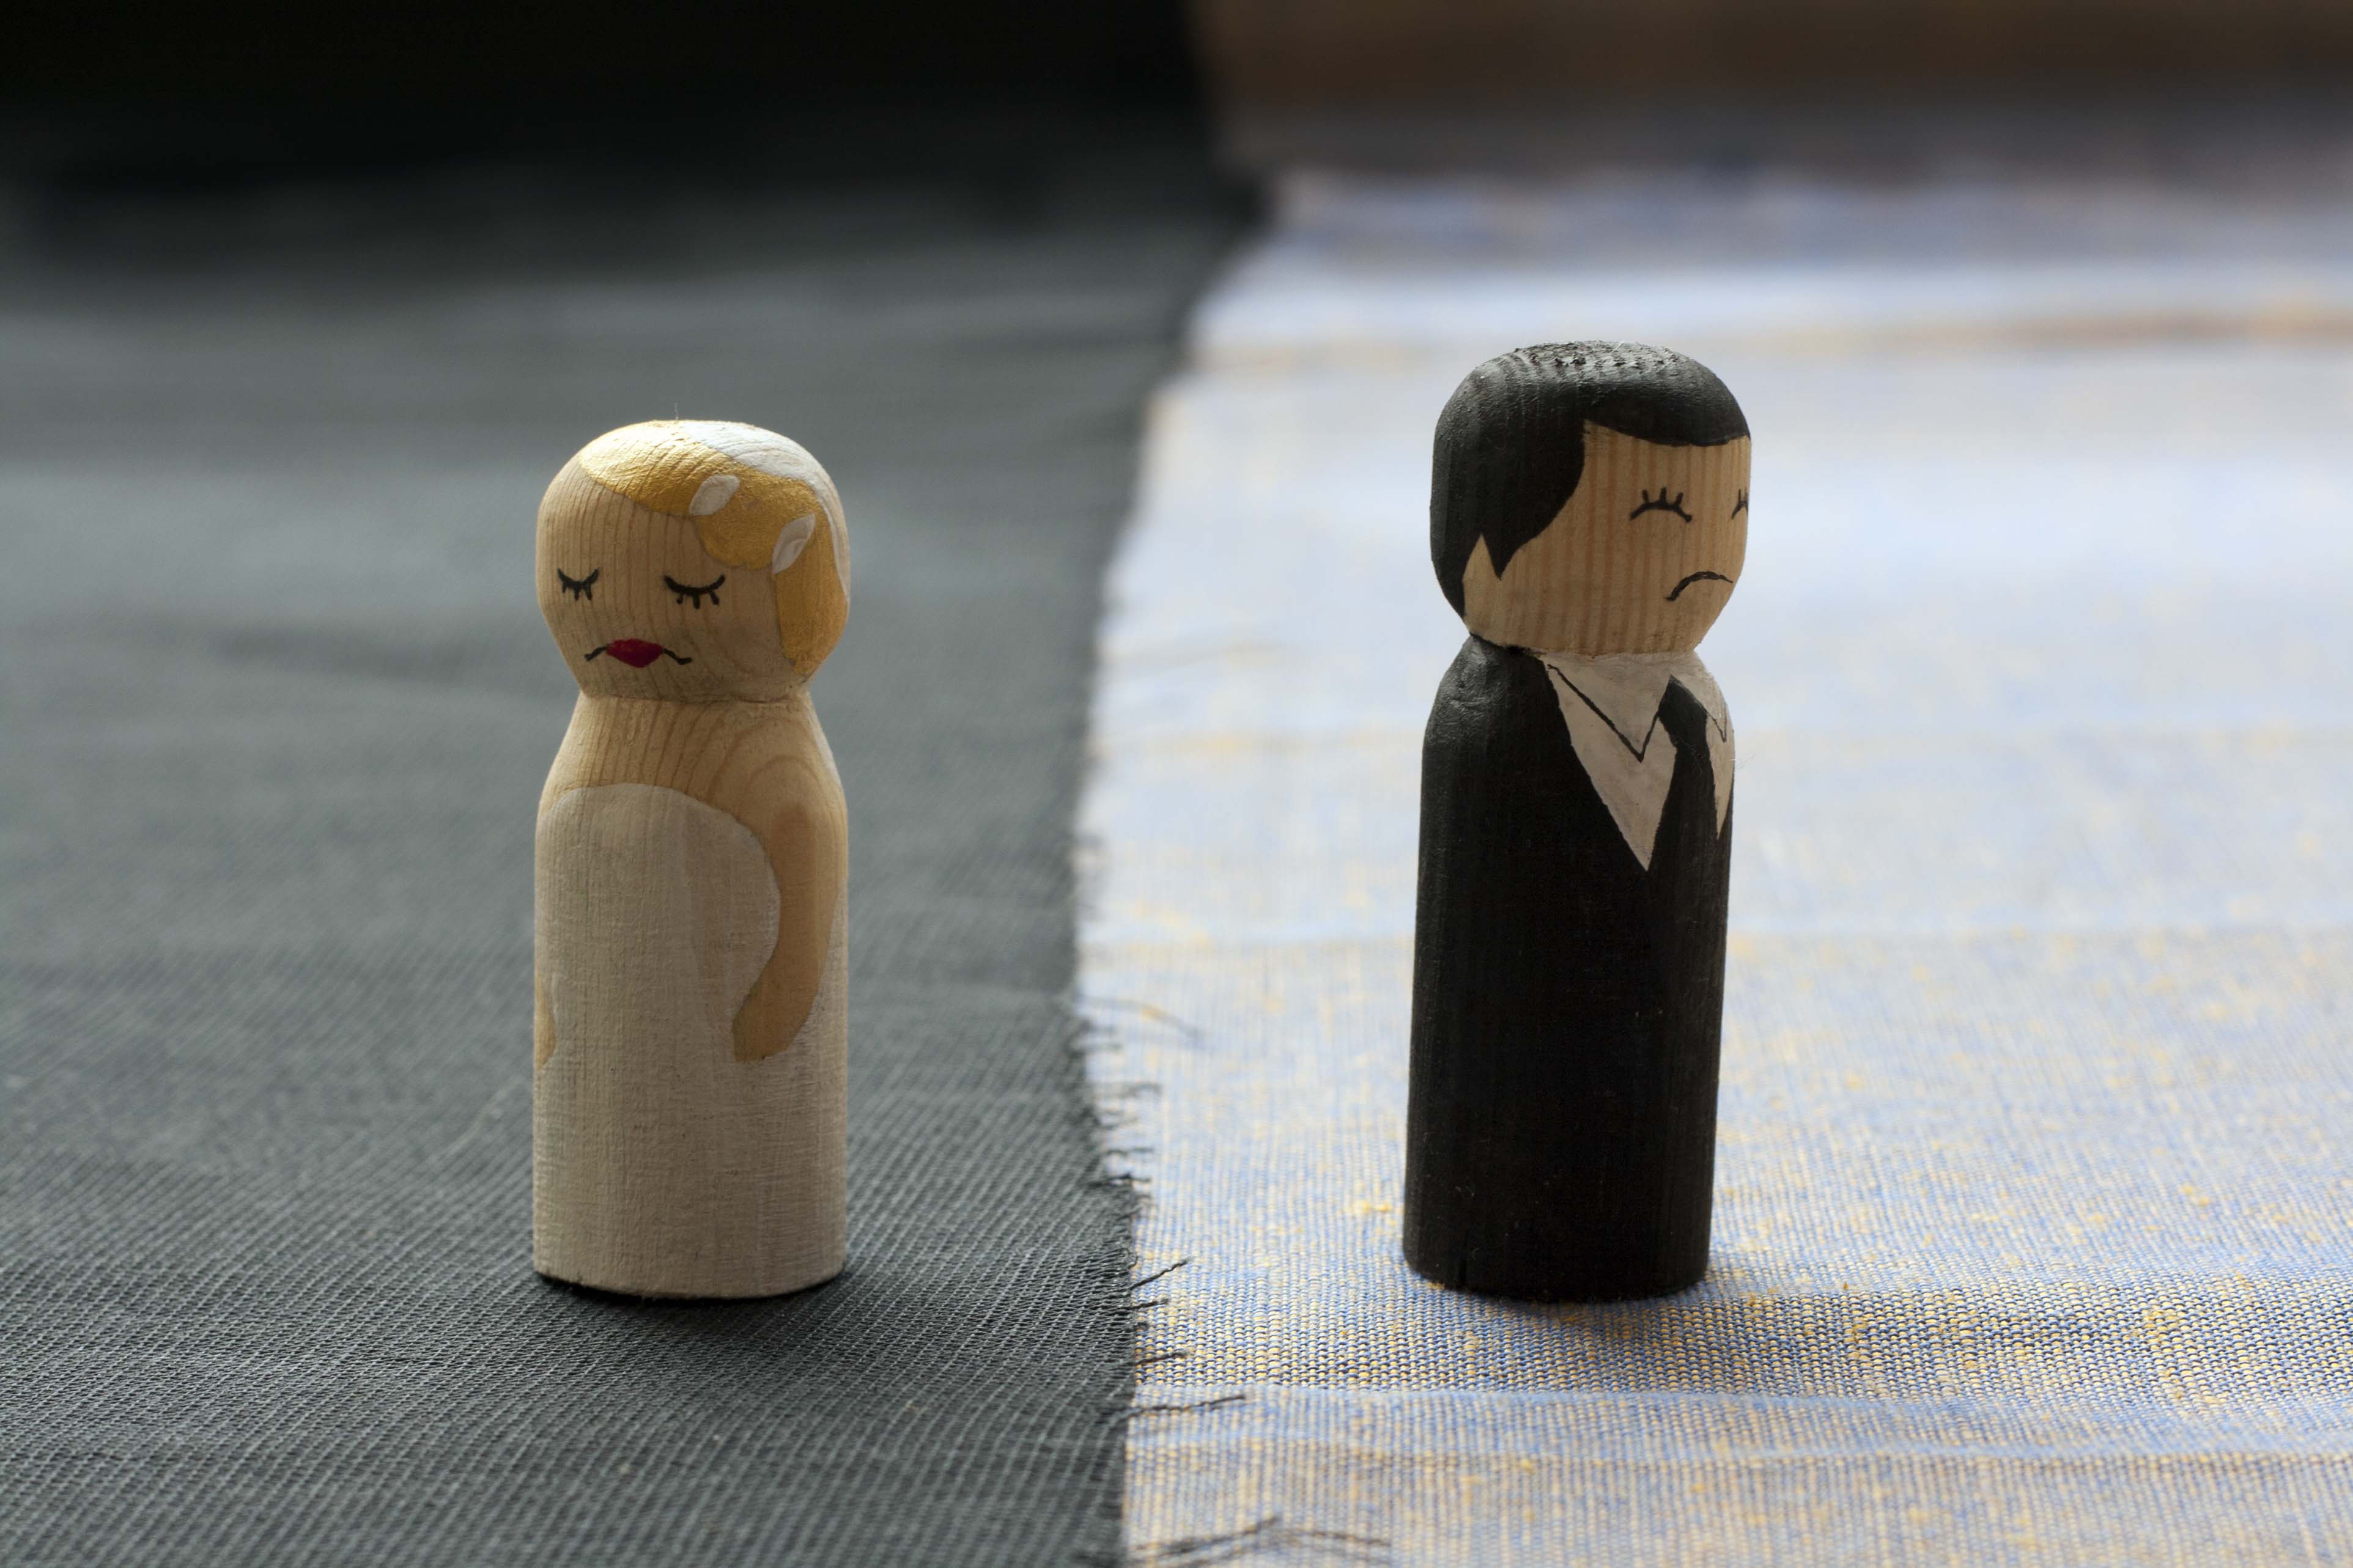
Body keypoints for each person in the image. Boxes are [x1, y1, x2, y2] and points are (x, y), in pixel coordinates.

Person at [1403, 342, 1751, 1301]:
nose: (1708, 554)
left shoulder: (1698, 704)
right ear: (1486, 555)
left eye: (1731, 512)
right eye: (1659, 517)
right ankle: (1510, 1240)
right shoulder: (1495, 723)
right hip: (1503, 1162)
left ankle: (1645, 1229)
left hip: (1657, 1141)